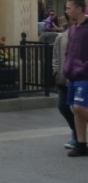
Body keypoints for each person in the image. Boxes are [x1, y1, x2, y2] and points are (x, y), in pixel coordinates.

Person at [64, 0, 88, 157]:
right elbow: (69, 52)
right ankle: (81, 144)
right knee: (76, 109)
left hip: (85, 75)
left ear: (79, 9)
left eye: (68, 8)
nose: (66, 12)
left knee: (80, 106)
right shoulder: (72, 28)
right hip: (72, 74)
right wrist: (67, 66)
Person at [54, 19, 77, 150]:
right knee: (63, 107)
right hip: (63, 79)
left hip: (78, 78)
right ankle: (77, 132)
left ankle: (77, 136)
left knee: (78, 109)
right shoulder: (61, 37)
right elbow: (55, 56)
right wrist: (56, 71)